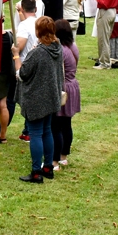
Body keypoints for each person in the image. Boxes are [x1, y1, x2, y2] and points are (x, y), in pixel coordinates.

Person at [13, 16, 63, 183]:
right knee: (47, 131)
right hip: (50, 97)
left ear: (37, 32)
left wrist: (16, 56)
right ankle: (47, 167)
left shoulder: (37, 53)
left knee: (35, 134)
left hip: (36, 99)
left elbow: (22, 74)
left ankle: (36, 172)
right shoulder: (57, 47)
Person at [52, 19, 80, 168]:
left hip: (64, 87)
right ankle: (64, 156)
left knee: (56, 125)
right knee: (66, 124)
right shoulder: (73, 46)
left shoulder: (60, 50)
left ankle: (55, 159)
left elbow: (59, 72)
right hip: (73, 85)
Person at [89, 0, 118, 69]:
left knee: (103, 39)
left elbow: (104, 4)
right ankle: (104, 60)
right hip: (113, 11)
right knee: (106, 38)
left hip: (106, 12)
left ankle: (104, 63)